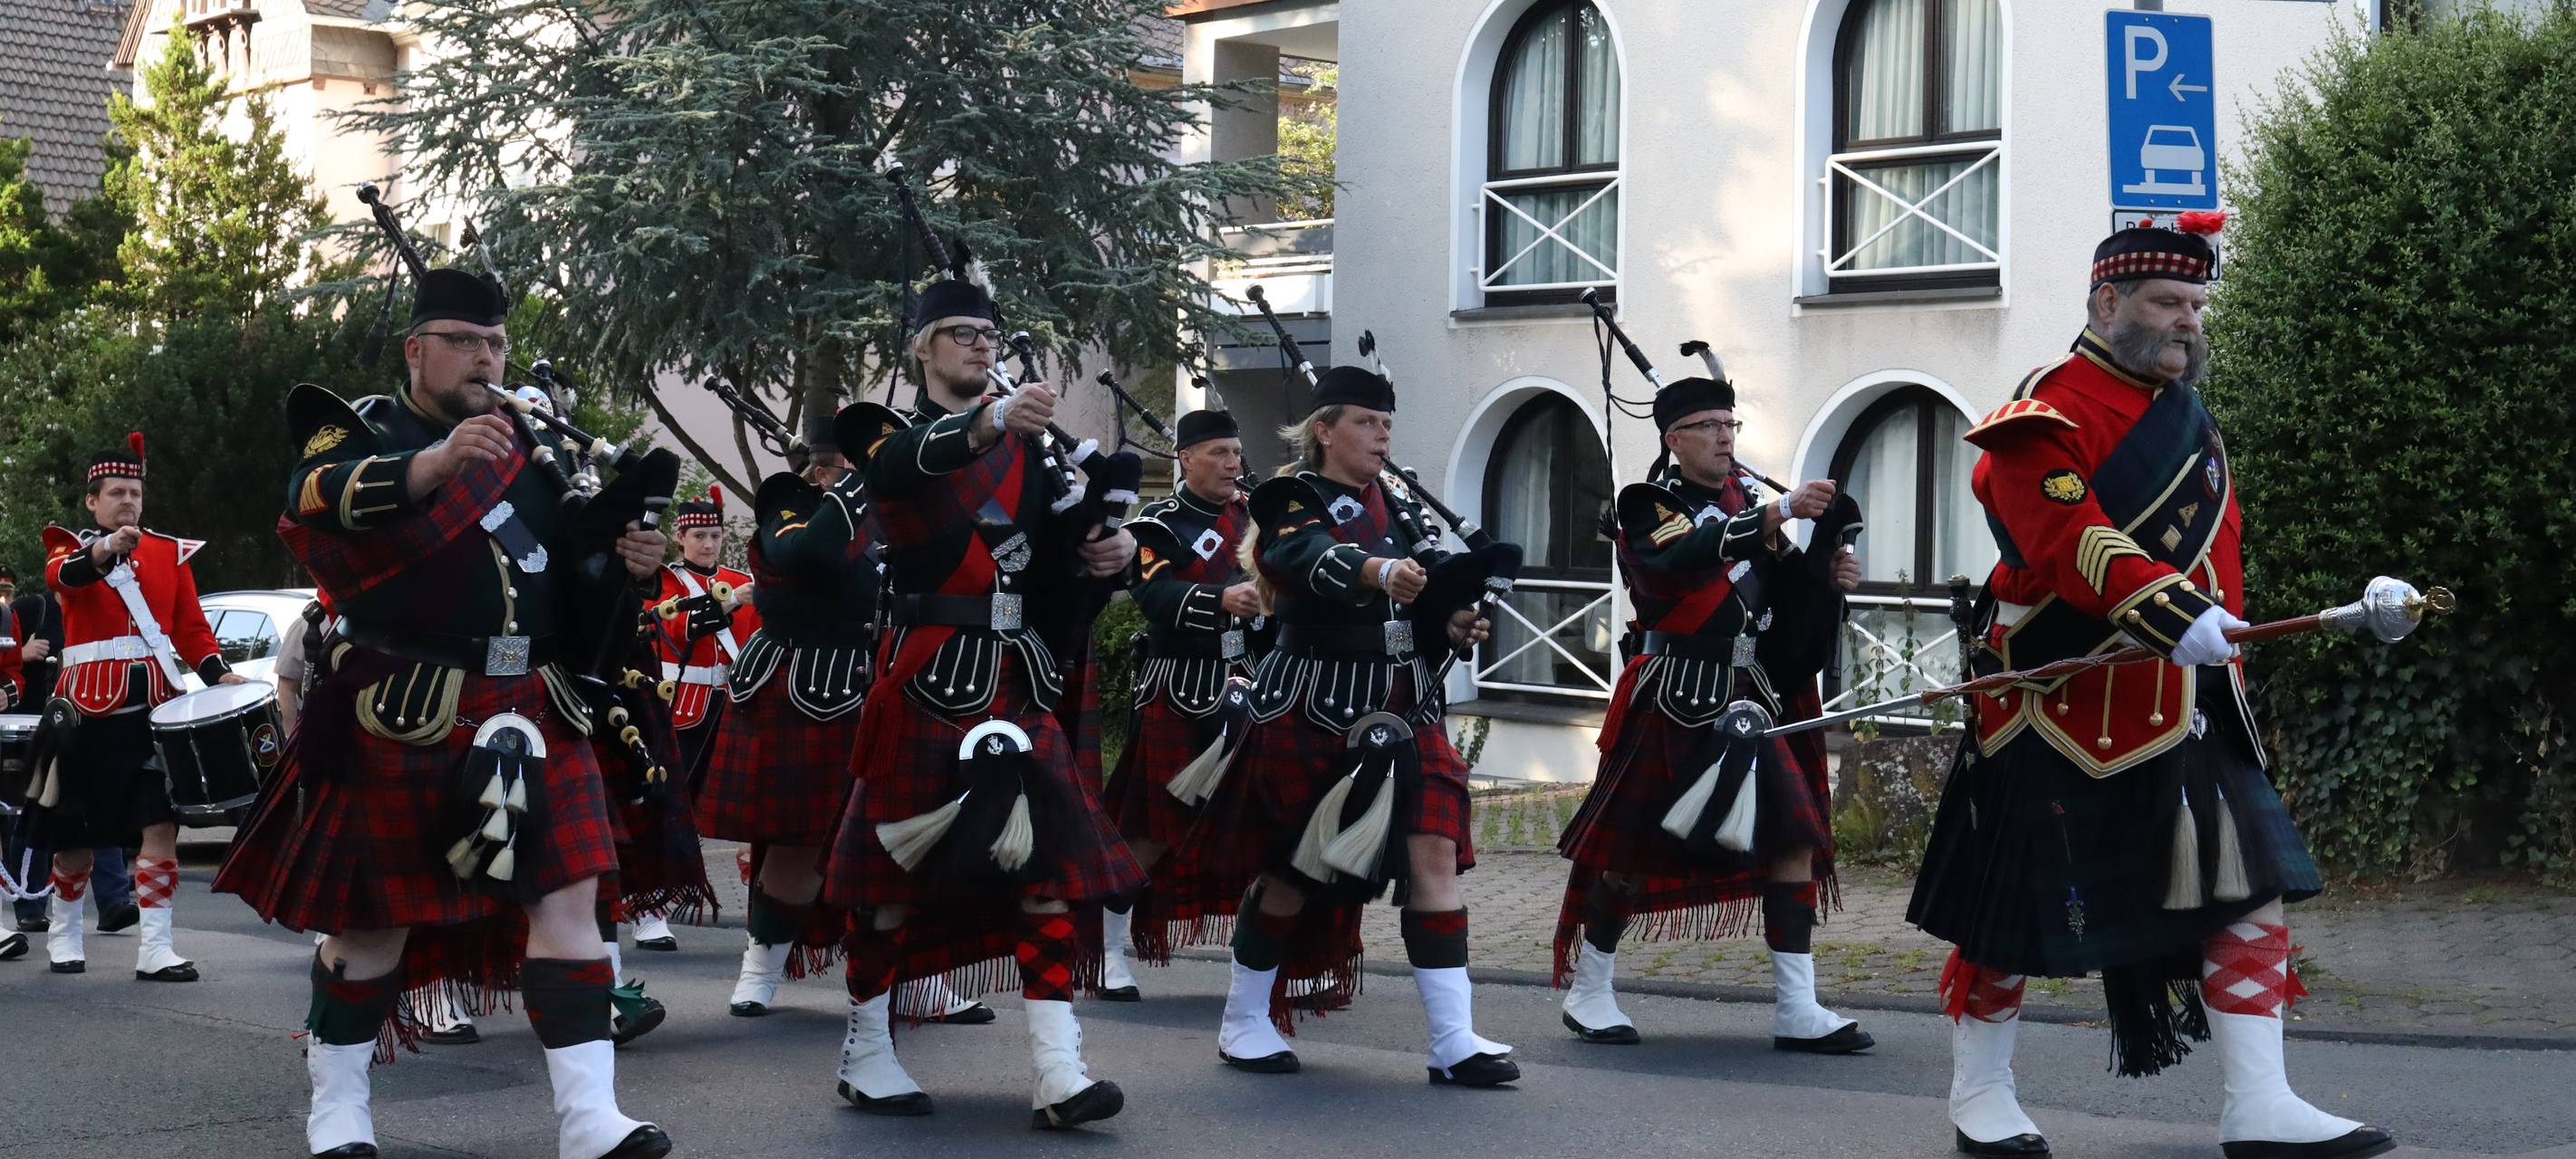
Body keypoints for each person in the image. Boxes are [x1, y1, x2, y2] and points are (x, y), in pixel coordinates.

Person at [1907, 216, 2394, 1159]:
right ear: (2107, 302)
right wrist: (2172, 613)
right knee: (2012, 910)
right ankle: (1981, 1090)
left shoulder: (2192, 416)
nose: (2188, 323)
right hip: (2057, 703)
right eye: (2169, 303)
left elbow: (2224, 560)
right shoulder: (2044, 411)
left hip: (2186, 702)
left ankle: (2260, 1101)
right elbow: (2068, 538)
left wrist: (2226, 660)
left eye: (2198, 306)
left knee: (2247, 885)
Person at [212, 267, 670, 1159]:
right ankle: (338, 1108)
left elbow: (567, 588)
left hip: (532, 702)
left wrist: (627, 560)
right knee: (372, 922)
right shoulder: (364, 429)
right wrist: (432, 463)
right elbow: (312, 500)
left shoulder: (532, 449)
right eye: (465, 341)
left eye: (496, 342)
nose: (486, 358)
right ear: (417, 349)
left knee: (568, 899)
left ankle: (589, 1121)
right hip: (405, 706)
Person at [817, 263, 1141, 1127]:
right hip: (927, 677)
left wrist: (1108, 556)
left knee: (1046, 875)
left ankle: (1058, 1069)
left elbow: (1067, 556)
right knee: (890, 881)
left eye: (990, 337)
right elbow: (898, 470)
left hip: (1016, 676)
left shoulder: (1033, 454)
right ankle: (868, 1052)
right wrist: (993, 417)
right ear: (922, 347)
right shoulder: (891, 433)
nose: (981, 348)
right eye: (963, 335)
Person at [1159, 366, 1511, 1086]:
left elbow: (1422, 599)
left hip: (1405, 707)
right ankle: (1245, 1021)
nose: (1383, 435)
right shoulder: (1291, 496)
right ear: (1324, 430)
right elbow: (1297, 556)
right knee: (1292, 870)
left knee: (1434, 859)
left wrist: (1452, 619)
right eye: (1366, 422)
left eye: (1387, 424)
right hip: (1312, 702)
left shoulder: (1400, 506)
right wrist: (1376, 571)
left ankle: (1454, 1040)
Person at [1551, 368, 1872, 1053]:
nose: (1726, 438)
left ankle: (1798, 1008)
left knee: (1792, 838)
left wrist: (1828, 575)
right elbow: (1690, 553)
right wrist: (1780, 513)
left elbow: (1783, 596)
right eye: (1710, 428)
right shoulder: (1646, 503)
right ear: (1675, 439)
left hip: (1750, 697)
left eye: (1731, 426)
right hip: (1675, 693)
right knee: (1632, 853)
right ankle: (1591, 988)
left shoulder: (1749, 501)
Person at [28, 435, 239, 980]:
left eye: (136, 492)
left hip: (156, 713)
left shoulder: (170, 552)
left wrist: (220, 675)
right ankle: (65, 932)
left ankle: (156, 948)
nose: (128, 501)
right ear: (92, 501)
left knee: (160, 827)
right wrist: (105, 550)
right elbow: (65, 578)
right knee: (75, 839)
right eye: (117, 492)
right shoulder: (67, 546)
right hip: (85, 713)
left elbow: (191, 628)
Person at [1098, 407, 1259, 1000]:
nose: (1232, 463)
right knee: (1153, 827)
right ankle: (1106, 949)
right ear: (1185, 459)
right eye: (1219, 452)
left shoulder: (1254, 518)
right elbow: (1154, 594)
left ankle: (1262, 961)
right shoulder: (1156, 524)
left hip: (1248, 686)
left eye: (1236, 452)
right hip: (1179, 687)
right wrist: (1222, 599)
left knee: (1255, 825)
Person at [632, 486, 755, 953]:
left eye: (716, 535)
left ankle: (760, 908)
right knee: (666, 805)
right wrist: (726, 603)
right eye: (699, 535)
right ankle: (650, 910)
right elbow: (668, 626)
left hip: (732, 705)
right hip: (676, 705)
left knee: (744, 810)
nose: (708, 544)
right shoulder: (663, 582)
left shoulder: (739, 578)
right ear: (680, 539)